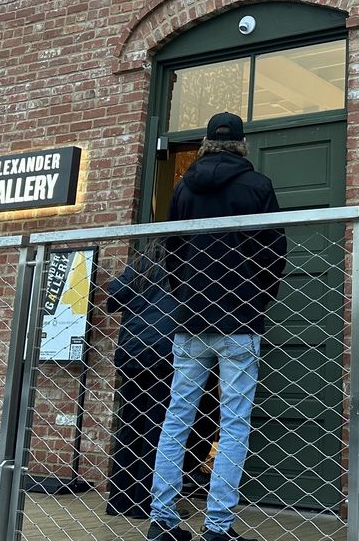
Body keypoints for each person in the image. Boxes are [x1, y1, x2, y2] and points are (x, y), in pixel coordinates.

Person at [148, 112, 287, 541]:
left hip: (190, 319)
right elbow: (274, 252)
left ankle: (162, 519)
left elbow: (171, 251)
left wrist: (184, 297)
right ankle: (218, 527)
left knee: (177, 417)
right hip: (239, 318)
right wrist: (257, 300)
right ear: (242, 143)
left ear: (206, 142)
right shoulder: (257, 185)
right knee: (234, 423)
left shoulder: (183, 188)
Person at [106, 241, 179, 519]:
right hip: (164, 353)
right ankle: (145, 501)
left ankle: (119, 501)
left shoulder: (139, 268)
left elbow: (114, 297)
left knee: (130, 424)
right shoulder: (181, 266)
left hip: (132, 353)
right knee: (156, 427)